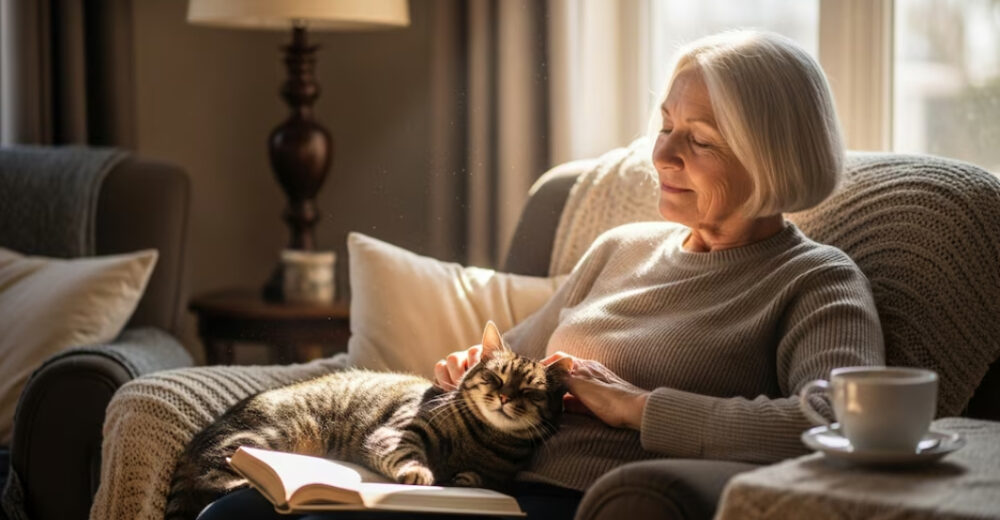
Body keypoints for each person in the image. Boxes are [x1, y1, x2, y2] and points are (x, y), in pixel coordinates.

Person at [197, 29, 884, 520]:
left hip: (579, 504)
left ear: (770, 157)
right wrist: (471, 369)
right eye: (665, 125)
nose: (660, 153)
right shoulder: (622, 247)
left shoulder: (815, 282)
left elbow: (840, 421)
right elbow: (517, 353)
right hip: (481, 484)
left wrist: (644, 409)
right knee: (232, 513)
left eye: (697, 140)